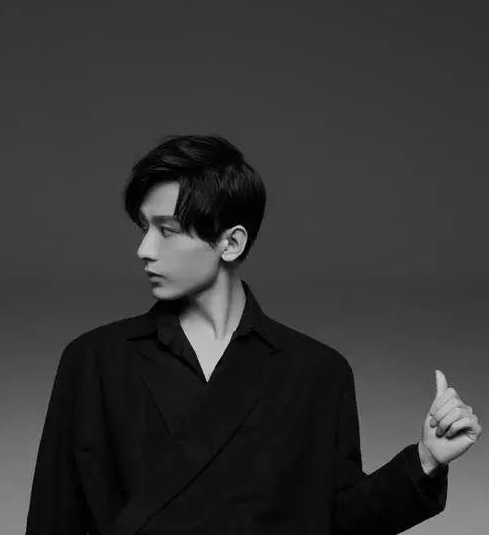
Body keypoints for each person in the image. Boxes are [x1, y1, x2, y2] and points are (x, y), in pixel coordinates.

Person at [25, 134, 482, 535]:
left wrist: (426, 459)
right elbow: (54, 517)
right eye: (144, 228)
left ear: (231, 243)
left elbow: (339, 521)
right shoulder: (94, 360)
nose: (144, 249)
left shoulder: (317, 372)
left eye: (167, 230)